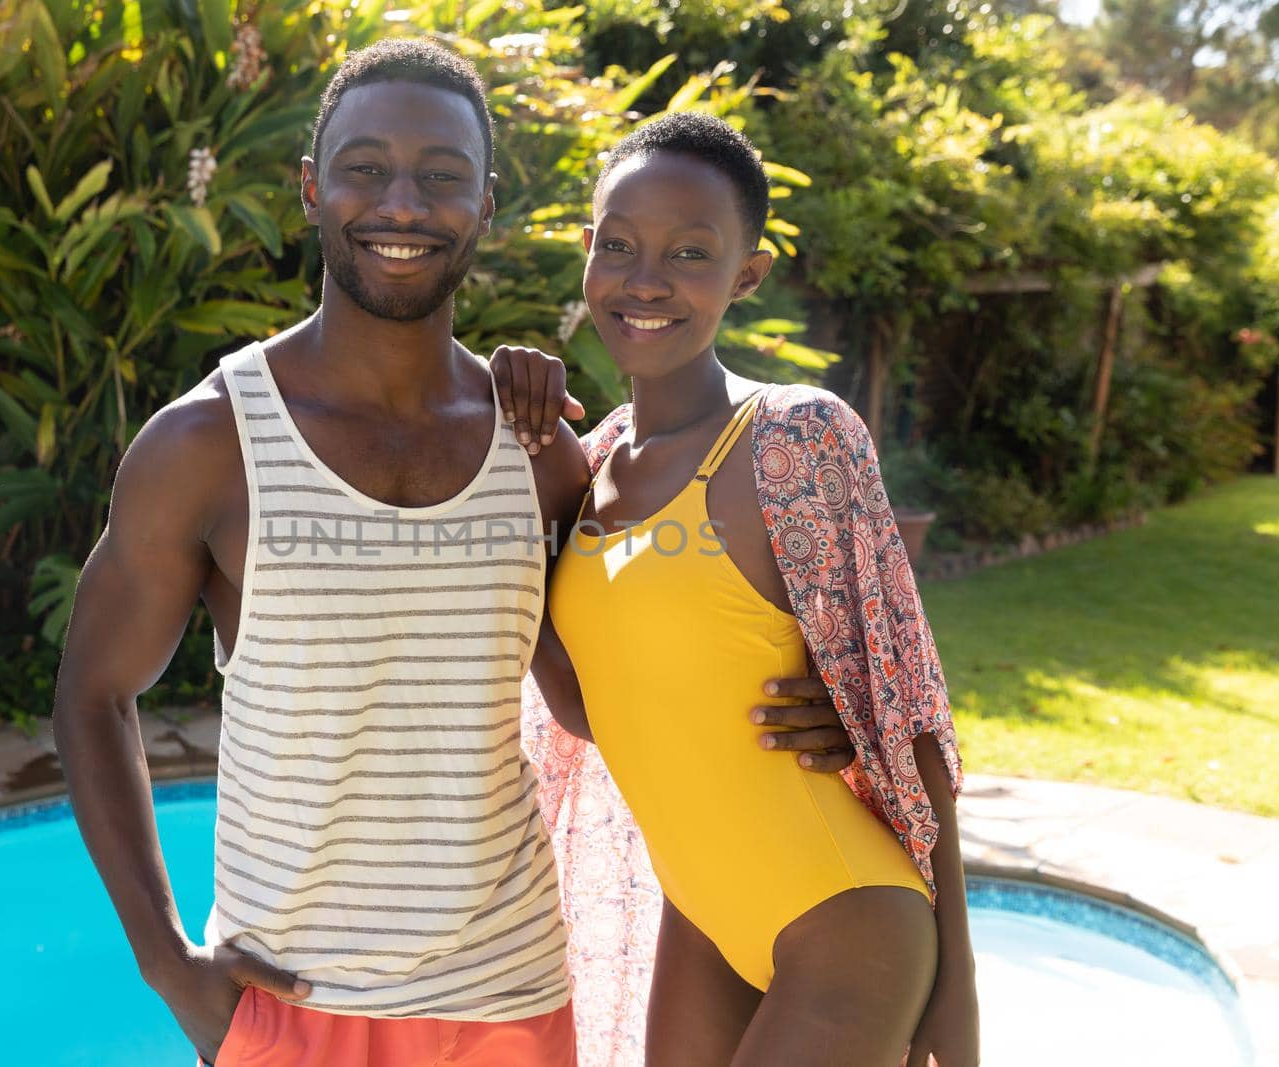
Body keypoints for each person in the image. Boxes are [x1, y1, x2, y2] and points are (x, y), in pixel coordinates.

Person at [50, 40, 856, 1067]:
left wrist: (816, 705)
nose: (400, 201)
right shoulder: (209, 441)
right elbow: (90, 691)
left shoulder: (535, 448)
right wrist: (166, 958)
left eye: (440, 176)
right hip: (292, 998)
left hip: (511, 995)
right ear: (312, 188)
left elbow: (599, 688)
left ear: (484, 206)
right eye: (364, 167)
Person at [503, 113, 981, 1067]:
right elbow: (593, 710)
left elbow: (908, 711)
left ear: (747, 274)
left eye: (690, 253)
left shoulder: (795, 439)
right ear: (587, 251)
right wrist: (515, 417)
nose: (646, 280)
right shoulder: (588, 463)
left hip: (848, 923)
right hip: (705, 917)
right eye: (620, 245)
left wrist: (957, 990)